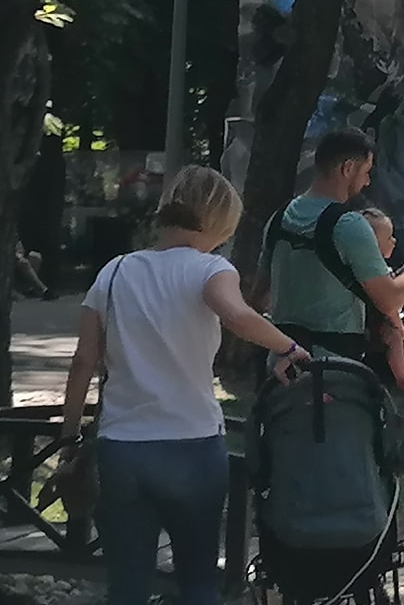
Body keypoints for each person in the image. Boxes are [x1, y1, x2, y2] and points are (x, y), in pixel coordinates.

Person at [61, 166, 310, 605]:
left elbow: (83, 362)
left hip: (122, 448)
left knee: (127, 586)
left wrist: (68, 440)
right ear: (218, 221)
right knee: (198, 581)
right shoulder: (211, 269)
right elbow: (237, 315)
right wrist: (289, 348)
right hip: (192, 445)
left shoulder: (114, 272)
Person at [261, 127, 404, 362]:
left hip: (281, 361)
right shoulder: (349, 225)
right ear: (347, 168)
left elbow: (260, 296)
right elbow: (390, 299)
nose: (367, 181)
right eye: (366, 172)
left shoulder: (277, 219)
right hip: (333, 366)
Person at [357, 209, 404, 396]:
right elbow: (389, 306)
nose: (394, 241)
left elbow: (395, 278)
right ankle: (402, 376)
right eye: (389, 238)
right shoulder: (373, 269)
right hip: (370, 321)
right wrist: (399, 325)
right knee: (395, 335)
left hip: (366, 320)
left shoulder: (373, 267)